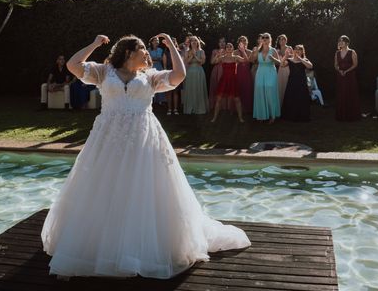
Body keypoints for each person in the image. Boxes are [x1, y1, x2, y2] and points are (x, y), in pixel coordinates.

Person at [41, 34, 250, 279]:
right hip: (108, 140)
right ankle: (103, 246)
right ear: (130, 52)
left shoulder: (150, 77)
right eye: (143, 50)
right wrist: (95, 44)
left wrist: (171, 45)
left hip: (144, 139)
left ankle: (140, 248)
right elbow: (73, 66)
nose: (148, 54)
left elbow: (178, 76)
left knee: (144, 188)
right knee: (105, 187)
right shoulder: (104, 71)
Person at [211, 42, 246, 123]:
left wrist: (243, 51)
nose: (229, 48)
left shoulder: (236, 57)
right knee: (218, 99)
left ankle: (240, 118)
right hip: (224, 80)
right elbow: (213, 62)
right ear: (225, 49)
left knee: (237, 99)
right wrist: (217, 55)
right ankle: (214, 117)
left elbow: (246, 60)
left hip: (233, 80)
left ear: (233, 48)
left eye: (230, 47)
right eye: (227, 47)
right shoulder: (222, 58)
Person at [251, 33, 281, 123]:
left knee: (270, 91)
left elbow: (279, 62)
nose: (264, 39)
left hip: (271, 72)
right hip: (260, 72)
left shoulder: (273, 50)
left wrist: (273, 59)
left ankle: (272, 115)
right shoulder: (258, 50)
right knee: (260, 91)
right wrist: (253, 53)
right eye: (263, 37)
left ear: (270, 39)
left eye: (266, 37)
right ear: (261, 39)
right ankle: (261, 115)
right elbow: (252, 60)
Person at [280, 45, 314, 122]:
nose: (297, 50)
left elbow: (310, 66)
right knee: (291, 97)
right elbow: (281, 65)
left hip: (301, 82)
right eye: (296, 49)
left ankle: (301, 116)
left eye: (299, 49)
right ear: (294, 51)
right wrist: (285, 56)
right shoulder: (290, 60)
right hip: (292, 81)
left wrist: (301, 59)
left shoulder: (304, 59)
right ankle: (290, 115)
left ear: (302, 51)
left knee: (301, 98)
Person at [334, 35, 360, 121]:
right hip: (340, 76)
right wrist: (339, 70)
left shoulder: (352, 52)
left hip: (350, 76)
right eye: (339, 41)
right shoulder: (337, 53)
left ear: (347, 42)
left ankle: (351, 115)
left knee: (350, 93)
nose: (340, 43)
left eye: (342, 41)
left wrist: (347, 71)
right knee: (341, 94)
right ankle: (341, 115)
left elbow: (355, 64)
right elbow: (335, 65)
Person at [182, 36, 209, 114]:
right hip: (190, 72)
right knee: (191, 88)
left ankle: (199, 108)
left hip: (199, 71)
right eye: (192, 41)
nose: (193, 42)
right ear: (190, 43)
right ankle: (191, 108)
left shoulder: (202, 51)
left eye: (195, 40)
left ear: (198, 42)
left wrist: (195, 56)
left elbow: (202, 62)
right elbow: (187, 62)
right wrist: (192, 55)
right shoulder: (187, 51)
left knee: (199, 88)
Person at [164, 37, 182, 115]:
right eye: (171, 41)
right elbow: (164, 65)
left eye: (174, 42)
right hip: (168, 72)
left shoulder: (179, 52)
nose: (173, 43)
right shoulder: (165, 52)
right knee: (168, 91)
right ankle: (169, 109)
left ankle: (175, 109)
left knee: (175, 92)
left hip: (177, 73)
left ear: (175, 43)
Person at [235, 36, 253, 113]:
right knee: (238, 90)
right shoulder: (235, 52)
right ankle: (237, 109)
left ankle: (247, 108)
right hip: (238, 73)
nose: (243, 42)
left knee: (247, 89)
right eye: (241, 40)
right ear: (239, 43)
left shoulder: (250, 52)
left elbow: (248, 61)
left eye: (244, 40)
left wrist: (243, 51)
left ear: (247, 42)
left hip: (246, 73)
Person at [208, 38, 227, 110]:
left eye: (223, 42)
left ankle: (224, 106)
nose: (222, 43)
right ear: (218, 43)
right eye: (220, 42)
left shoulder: (228, 50)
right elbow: (212, 62)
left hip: (226, 70)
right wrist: (218, 55)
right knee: (215, 87)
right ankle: (215, 105)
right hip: (216, 70)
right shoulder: (215, 51)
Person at [148, 37, 167, 107]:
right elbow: (149, 60)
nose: (156, 42)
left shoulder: (160, 50)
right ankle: (153, 100)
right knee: (152, 83)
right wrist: (156, 59)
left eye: (157, 41)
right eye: (155, 40)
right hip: (152, 67)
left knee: (160, 83)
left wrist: (156, 59)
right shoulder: (149, 50)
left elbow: (162, 59)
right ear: (152, 42)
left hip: (159, 67)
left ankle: (161, 100)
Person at [275, 34, 293, 106]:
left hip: (288, 69)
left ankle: (288, 105)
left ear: (286, 40)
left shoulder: (289, 48)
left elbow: (292, 59)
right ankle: (280, 105)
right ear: (278, 41)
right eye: (281, 39)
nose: (282, 41)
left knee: (287, 86)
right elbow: (276, 62)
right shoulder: (276, 50)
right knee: (280, 87)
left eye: (284, 39)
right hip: (280, 70)